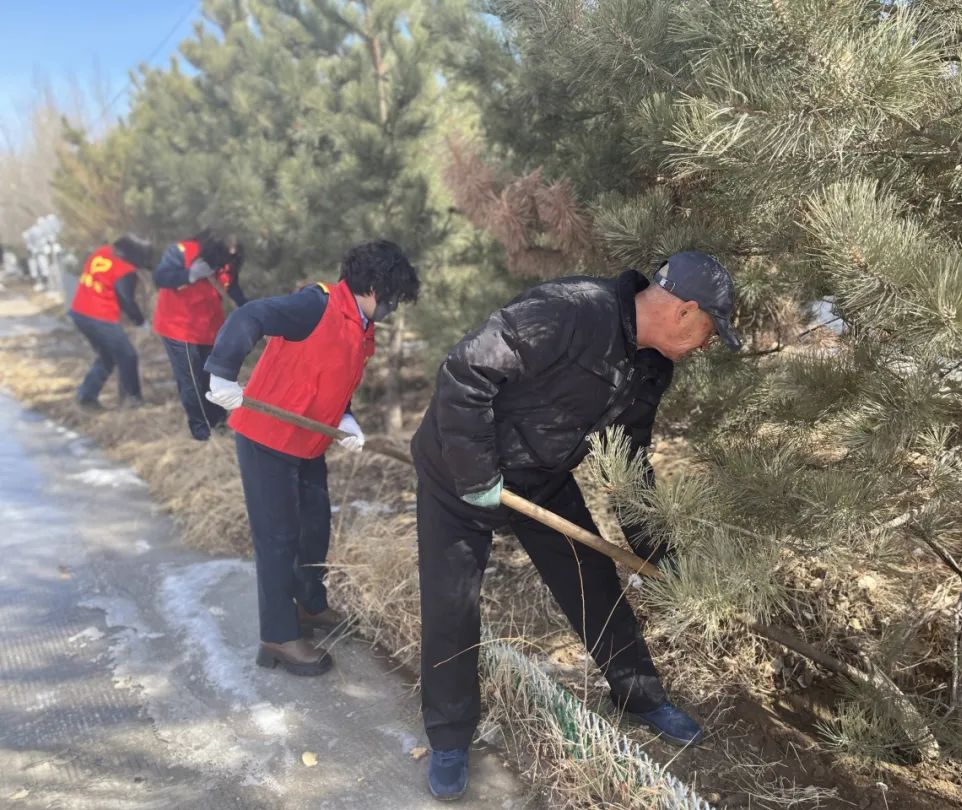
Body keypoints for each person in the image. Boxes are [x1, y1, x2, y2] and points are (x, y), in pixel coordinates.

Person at [411, 250, 742, 800]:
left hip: (541, 478)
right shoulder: (570, 309)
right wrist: (476, 473)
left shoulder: (652, 365)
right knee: (452, 604)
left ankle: (639, 696)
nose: (708, 344)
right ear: (685, 311)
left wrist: (661, 556)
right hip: (458, 471)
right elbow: (466, 370)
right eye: (710, 330)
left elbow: (627, 459)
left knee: (593, 579)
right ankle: (448, 737)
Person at [203, 240, 420, 676]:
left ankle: (309, 605)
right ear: (373, 287)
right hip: (266, 439)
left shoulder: (359, 323)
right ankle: (278, 636)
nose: (394, 308)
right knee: (278, 537)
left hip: (306, 441)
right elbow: (250, 316)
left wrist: (346, 417)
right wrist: (222, 371)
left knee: (314, 527)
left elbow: (329, 376)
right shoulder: (315, 305)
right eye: (393, 299)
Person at [152, 229, 247, 440]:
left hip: (210, 328)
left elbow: (234, 292)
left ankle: (218, 422)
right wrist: (189, 274)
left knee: (211, 377)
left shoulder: (227, 261)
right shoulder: (182, 251)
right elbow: (160, 277)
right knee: (191, 380)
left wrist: (254, 314)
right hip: (179, 327)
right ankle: (201, 432)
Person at [68, 234, 154, 410]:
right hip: (100, 316)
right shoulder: (125, 270)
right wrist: (140, 322)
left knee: (108, 357)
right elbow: (126, 299)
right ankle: (132, 400)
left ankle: (86, 398)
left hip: (79, 312)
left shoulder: (102, 252)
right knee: (128, 355)